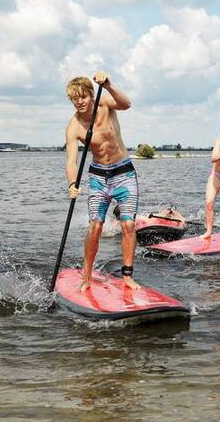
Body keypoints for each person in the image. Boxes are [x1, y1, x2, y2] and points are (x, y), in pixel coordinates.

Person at [65, 72, 140, 291]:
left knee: (128, 224)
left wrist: (108, 85)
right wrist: (72, 184)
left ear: (90, 94)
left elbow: (126, 104)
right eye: (73, 98)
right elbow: (71, 161)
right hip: (98, 177)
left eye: (82, 97)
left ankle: (127, 276)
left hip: (124, 173)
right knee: (95, 227)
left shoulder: (105, 103)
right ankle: (86, 276)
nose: (79, 102)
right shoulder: (74, 127)